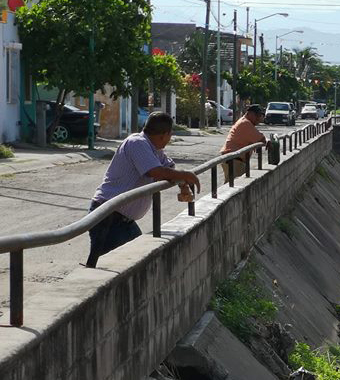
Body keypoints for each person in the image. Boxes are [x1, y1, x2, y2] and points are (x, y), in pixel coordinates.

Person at [84, 112, 200, 267]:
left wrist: (183, 184)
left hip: (124, 220)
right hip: (108, 216)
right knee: (108, 266)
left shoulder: (154, 149)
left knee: (137, 262)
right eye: (170, 135)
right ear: (165, 135)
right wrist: (186, 175)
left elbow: (169, 168)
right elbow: (155, 172)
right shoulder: (137, 142)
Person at [220, 104, 266, 181]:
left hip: (234, 158)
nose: (258, 119)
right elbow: (262, 139)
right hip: (234, 159)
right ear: (250, 113)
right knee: (233, 184)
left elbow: (259, 138)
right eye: (257, 115)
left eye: (260, 116)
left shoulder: (245, 122)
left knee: (234, 183)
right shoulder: (245, 123)